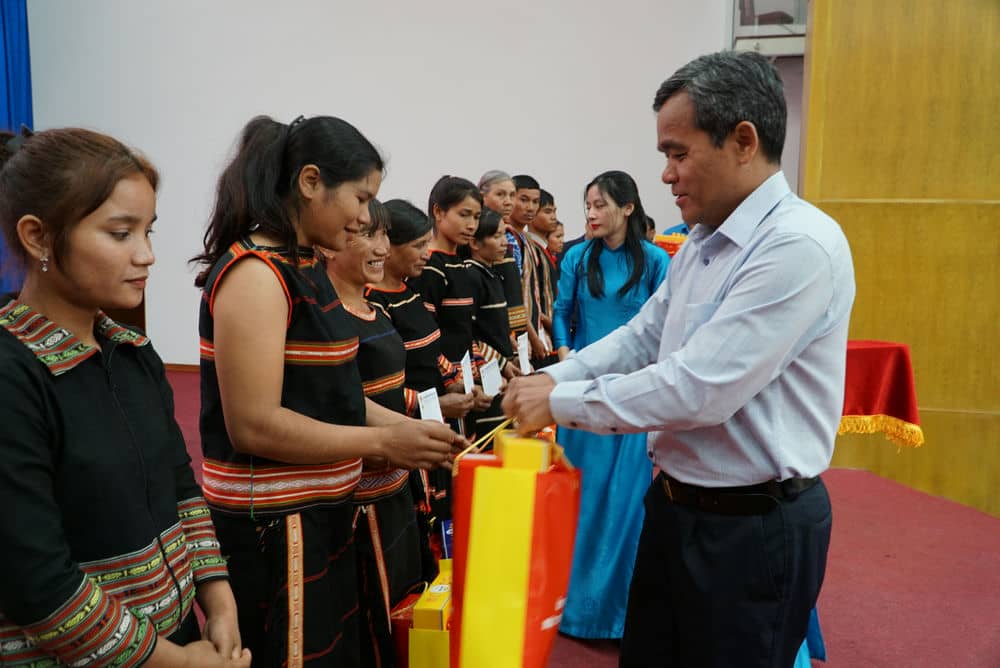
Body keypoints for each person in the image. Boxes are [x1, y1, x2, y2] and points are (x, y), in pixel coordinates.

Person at [503, 50, 855, 667]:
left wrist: (557, 402)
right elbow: (643, 336)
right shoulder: (701, 242)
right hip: (677, 506)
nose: (665, 175)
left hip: (754, 526)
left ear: (743, 140)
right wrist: (552, 375)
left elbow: (699, 389)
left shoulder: (797, 245)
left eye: (678, 152)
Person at [194, 115, 461, 667]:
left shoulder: (305, 265)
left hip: (320, 512)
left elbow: (332, 395)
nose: (367, 218)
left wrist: (404, 428)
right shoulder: (256, 273)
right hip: (276, 526)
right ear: (310, 182)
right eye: (361, 199)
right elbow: (255, 424)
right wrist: (383, 446)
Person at [0, 127, 249, 667]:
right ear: (38, 237)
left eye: (148, 231)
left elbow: (181, 487)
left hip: (175, 641)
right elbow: (37, 581)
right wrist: (176, 662)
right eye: (120, 234)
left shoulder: (131, 354)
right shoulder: (13, 376)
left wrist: (219, 596)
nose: (147, 255)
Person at [548, 170, 669, 640]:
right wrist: (565, 358)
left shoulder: (658, 261)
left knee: (625, 503)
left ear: (628, 208)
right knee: (582, 498)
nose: (592, 215)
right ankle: (574, 608)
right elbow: (562, 311)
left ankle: (615, 614)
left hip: (631, 397)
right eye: (588, 206)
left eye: (600, 205)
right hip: (580, 393)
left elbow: (660, 330)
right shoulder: (577, 257)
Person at [322, 200, 429, 667]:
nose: (382, 248)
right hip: (359, 502)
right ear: (328, 244)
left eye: (384, 236)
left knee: (404, 606)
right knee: (370, 621)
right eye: (367, 234)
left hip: (397, 486)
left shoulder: (374, 309)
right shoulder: (325, 322)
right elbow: (342, 407)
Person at [366, 198, 477, 562]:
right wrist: (435, 404)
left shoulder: (409, 292)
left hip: (435, 420)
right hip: (407, 428)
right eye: (416, 246)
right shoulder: (374, 302)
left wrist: (458, 381)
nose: (425, 254)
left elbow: (435, 354)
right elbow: (381, 386)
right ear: (388, 246)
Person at [466, 207, 519, 435]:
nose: (504, 243)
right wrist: (501, 363)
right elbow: (470, 335)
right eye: (496, 236)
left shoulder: (492, 274)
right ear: (475, 244)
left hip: (501, 372)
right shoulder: (472, 275)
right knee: (490, 438)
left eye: (504, 235)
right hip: (486, 372)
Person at [478, 170, 527, 345]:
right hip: (495, 336)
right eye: (500, 194)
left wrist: (525, 335)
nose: (508, 202)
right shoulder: (478, 237)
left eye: (512, 195)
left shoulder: (512, 236)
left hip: (516, 332)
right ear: (482, 196)